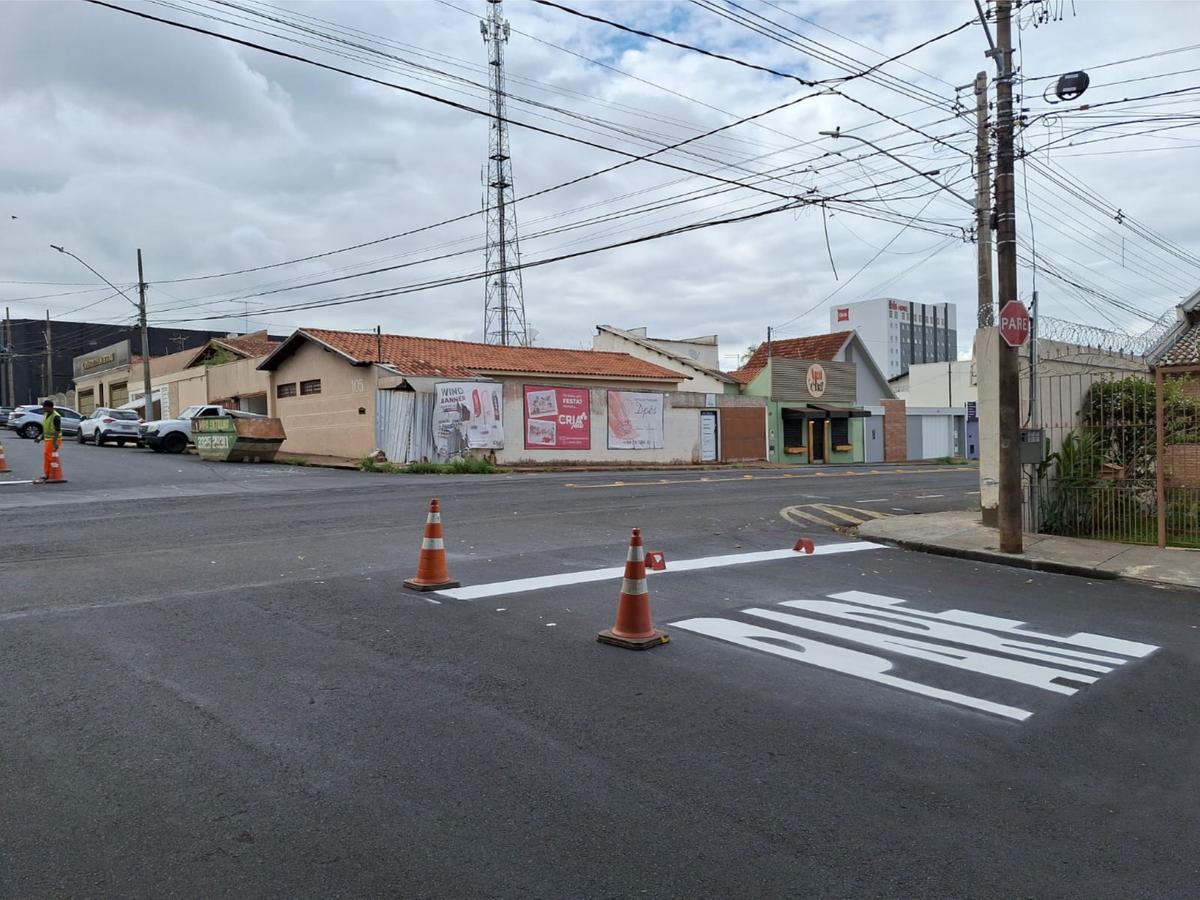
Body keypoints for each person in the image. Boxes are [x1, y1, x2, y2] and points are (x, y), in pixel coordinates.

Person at [34, 399, 62, 483]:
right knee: (47, 456)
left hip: (54, 439)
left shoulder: (56, 416)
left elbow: (57, 430)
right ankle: (48, 473)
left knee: (48, 455)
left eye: (44, 406)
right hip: (48, 439)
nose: (43, 408)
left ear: (49, 407)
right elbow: (45, 428)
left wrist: (54, 443)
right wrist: (40, 437)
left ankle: (49, 474)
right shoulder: (46, 414)